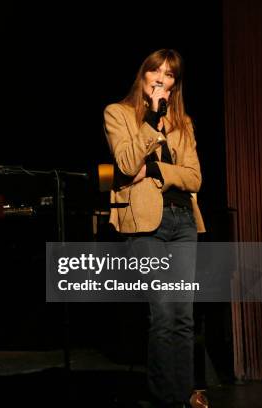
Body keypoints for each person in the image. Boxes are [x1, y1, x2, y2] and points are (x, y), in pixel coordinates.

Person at [103, 49, 206, 408]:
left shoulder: (184, 124)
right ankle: (166, 399)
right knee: (162, 314)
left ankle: (183, 394)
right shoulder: (118, 114)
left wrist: (159, 171)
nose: (162, 77)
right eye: (155, 70)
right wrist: (151, 120)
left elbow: (194, 178)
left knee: (183, 317)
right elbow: (129, 164)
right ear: (143, 75)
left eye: (170, 74)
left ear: (175, 84)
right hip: (146, 225)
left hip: (183, 222)